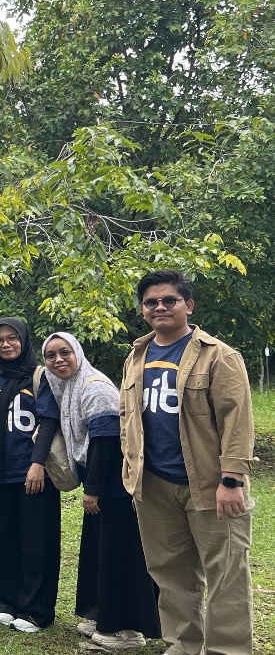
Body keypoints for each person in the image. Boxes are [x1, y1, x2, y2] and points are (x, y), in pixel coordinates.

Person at [119, 270, 254, 655]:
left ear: (188, 306)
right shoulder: (137, 355)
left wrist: (232, 480)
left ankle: (227, 650)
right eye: (151, 302)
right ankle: (181, 645)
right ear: (143, 310)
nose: (160, 306)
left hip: (211, 484)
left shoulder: (219, 355)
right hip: (154, 484)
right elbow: (129, 418)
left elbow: (237, 420)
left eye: (169, 300)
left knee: (225, 575)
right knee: (170, 573)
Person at [43, 331, 159, 649]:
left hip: (115, 484)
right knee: (99, 551)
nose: (58, 360)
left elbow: (105, 442)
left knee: (120, 554)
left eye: (64, 352)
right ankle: (102, 614)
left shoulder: (94, 387)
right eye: (50, 356)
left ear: (78, 353)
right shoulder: (71, 387)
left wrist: (92, 489)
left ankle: (129, 631)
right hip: (103, 482)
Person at [0, 318, 60, 633]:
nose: (6, 344)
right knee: (5, 540)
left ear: (24, 340)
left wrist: (38, 463)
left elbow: (49, 421)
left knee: (37, 542)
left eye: (12, 338)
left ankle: (36, 611)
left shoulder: (41, 378)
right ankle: (8, 603)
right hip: (2, 473)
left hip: (35, 472)